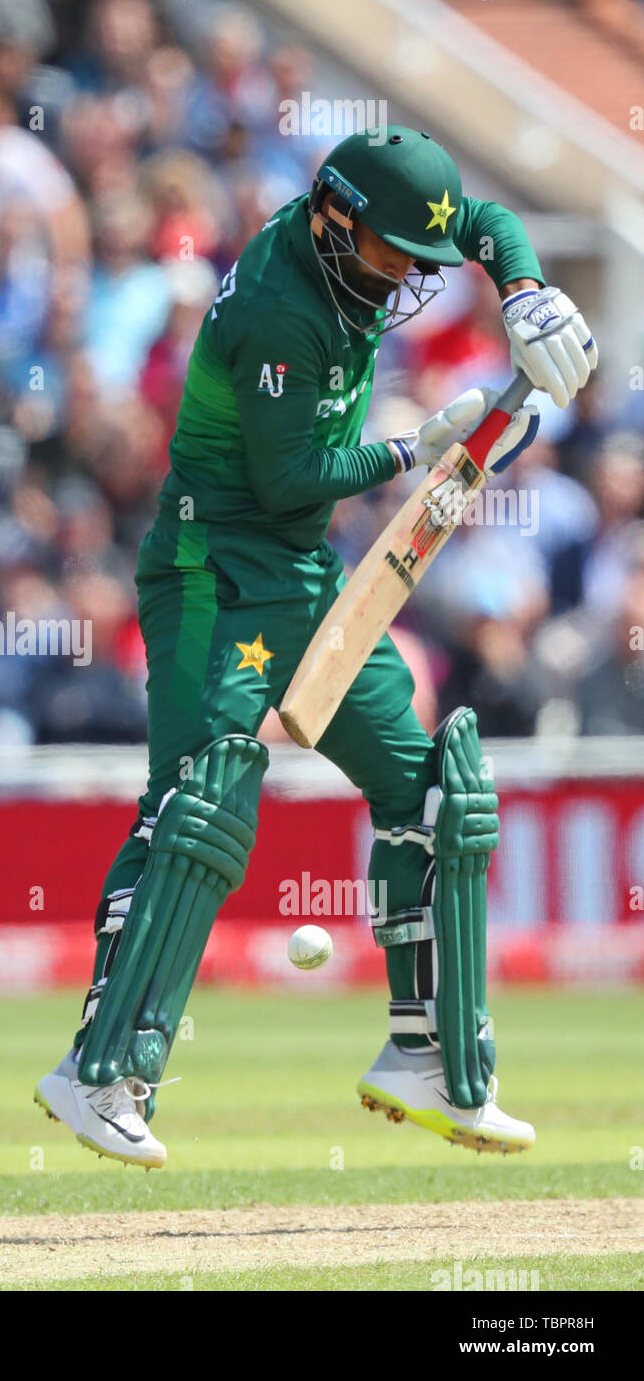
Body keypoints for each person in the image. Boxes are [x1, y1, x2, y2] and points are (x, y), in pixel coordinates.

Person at [36, 127, 597, 1167]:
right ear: (333, 217)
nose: (402, 281)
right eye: (388, 257)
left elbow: (476, 221)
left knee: (441, 795)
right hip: (213, 571)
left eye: (414, 263)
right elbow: (291, 476)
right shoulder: (276, 308)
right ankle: (99, 1072)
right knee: (199, 807)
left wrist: (520, 288)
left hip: (305, 578)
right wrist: (413, 445)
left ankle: (428, 1060)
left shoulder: (370, 234)